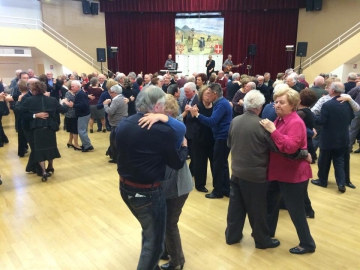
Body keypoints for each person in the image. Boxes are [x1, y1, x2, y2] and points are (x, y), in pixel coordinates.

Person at [116, 86, 188, 270]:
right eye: (163, 107)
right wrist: (185, 148)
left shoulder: (124, 123)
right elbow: (177, 162)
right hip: (147, 193)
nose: (165, 111)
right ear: (156, 107)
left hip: (125, 188)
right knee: (153, 245)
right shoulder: (162, 131)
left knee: (149, 232)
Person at [138, 94, 193, 270]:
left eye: (160, 111)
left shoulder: (173, 129)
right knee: (162, 221)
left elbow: (181, 129)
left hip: (177, 185)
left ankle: (177, 262)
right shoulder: (162, 128)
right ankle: (165, 250)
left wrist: (162, 117)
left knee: (170, 223)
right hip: (167, 184)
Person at [260, 88, 316, 254]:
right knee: (270, 204)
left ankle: (307, 244)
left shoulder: (295, 122)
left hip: (293, 175)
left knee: (295, 210)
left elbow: (290, 147)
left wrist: (273, 131)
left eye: (282, 102)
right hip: (278, 171)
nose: (277, 105)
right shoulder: (279, 119)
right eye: (276, 102)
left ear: (293, 105)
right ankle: (268, 234)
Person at [226, 90, 280, 249]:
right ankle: (262, 240)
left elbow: (229, 143)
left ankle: (232, 236)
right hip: (255, 175)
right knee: (258, 210)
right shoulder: (262, 125)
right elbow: (275, 148)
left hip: (236, 170)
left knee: (236, 206)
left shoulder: (235, 120)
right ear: (260, 107)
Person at [15, 81, 68, 182]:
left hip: (37, 128)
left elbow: (18, 111)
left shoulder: (29, 100)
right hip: (50, 128)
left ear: (33, 90)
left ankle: (43, 172)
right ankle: (51, 166)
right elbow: (63, 110)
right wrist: (65, 103)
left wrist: (18, 101)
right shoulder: (52, 100)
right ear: (44, 89)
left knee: (39, 150)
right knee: (51, 148)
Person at [190, 83, 232, 198]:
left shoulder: (221, 104)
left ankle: (219, 191)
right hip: (216, 138)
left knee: (219, 165)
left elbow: (212, 121)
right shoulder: (221, 103)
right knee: (221, 164)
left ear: (215, 94)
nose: (208, 96)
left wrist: (197, 115)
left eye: (210, 93)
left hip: (221, 138)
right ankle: (225, 189)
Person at [311, 82, 354, 193]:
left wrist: (313, 117)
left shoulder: (328, 105)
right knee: (339, 161)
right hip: (343, 137)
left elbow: (321, 121)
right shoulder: (348, 103)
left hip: (328, 138)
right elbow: (352, 116)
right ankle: (341, 183)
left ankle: (322, 180)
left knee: (324, 161)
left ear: (332, 91)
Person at [192, 88, 215, 192]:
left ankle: (218, 185)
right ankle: (200, 185)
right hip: (200, 138)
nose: (209, 96)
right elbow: (190, 119)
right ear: (202, 95)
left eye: (210, 94)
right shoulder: (198, 106)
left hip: (213, 138)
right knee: (200, 163)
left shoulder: (215, 106)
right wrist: (193, 114)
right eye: (207, 94)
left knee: (214, 163)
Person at [63, 80, 94, 152]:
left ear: (78, 87)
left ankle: (87, 146)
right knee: (83, 130)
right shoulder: (80, 93)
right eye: (71, 86)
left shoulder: (80, 94)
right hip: (84, 114)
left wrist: (73, 105)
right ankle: (86, 144)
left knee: (81, 131)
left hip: (83, 114)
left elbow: (84, 105)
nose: (72, 88)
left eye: (73, 86)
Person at [103, 85, 128, 163]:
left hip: (116, 123)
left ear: (115, 92)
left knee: (114, 141)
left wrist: (105, 105)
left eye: (111, 92)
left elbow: (110, 111)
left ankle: (116, 158)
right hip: (122, 121)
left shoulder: (116, 100)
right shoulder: (123, 98)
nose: (110, 94)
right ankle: (112, 153)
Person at [62, 80, 81, 150]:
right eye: (72, 86)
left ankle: (70, 142)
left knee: (72, 130)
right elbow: (66, 103)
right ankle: (76, 144)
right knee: (75, 130)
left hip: (71, 113)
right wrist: (68, 103)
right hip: (71, 114)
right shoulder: (68, 93)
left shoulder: (75, 93)